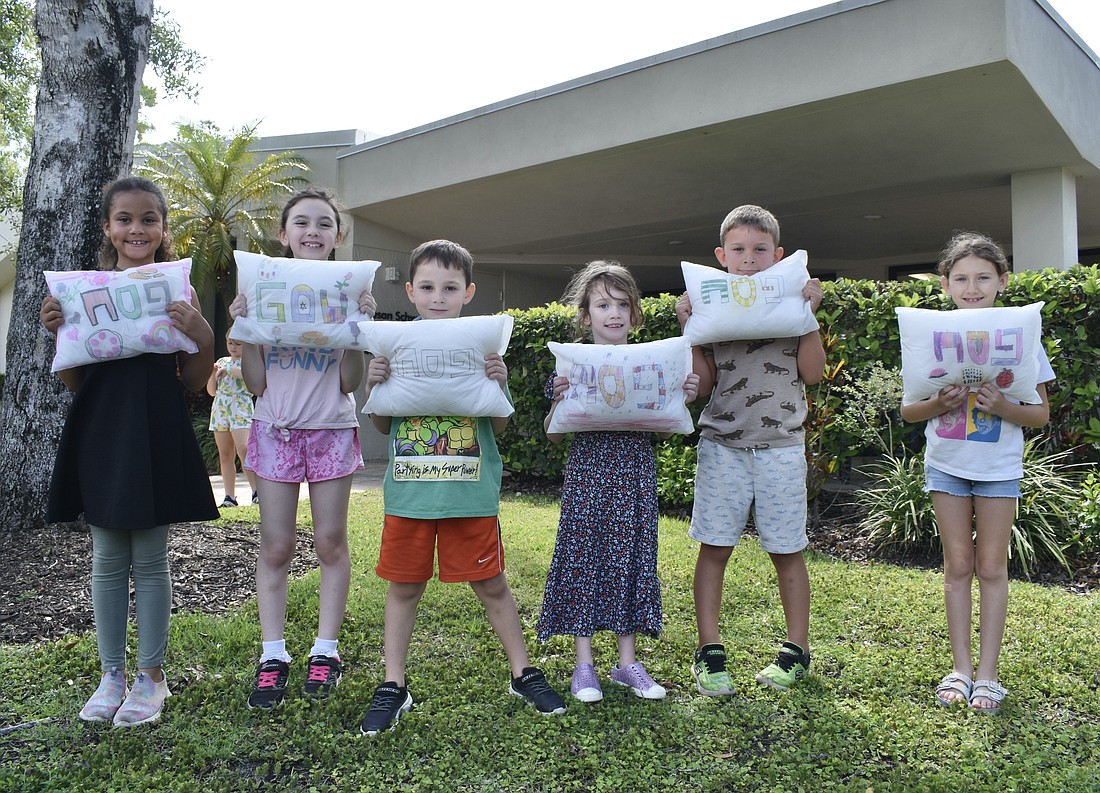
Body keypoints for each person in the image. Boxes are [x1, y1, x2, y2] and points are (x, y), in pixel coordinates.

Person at [359, 239, 566, 736]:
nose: (438, 296)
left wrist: (500, 378)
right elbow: (384, 426)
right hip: (410, 494)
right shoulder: (395, 346)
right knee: (404, 587)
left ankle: (522, 672)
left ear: (468, 292)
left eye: (450, 288)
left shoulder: (483, 348)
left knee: (491, 583)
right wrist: (375, 382)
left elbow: (501, 426)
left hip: (469, 494)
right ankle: (393, 684)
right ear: (410, 291)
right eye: (427, 287)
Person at [40, 176, 218, 726]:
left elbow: (192, 379)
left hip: (156, 428)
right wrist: (57, 331)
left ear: (164, 229)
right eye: (125, 219)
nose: (136, 229)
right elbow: (75, 380)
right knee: (108, 559)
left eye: (148, 219)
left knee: (151, 558)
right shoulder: (82, 290)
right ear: (108, 228)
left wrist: (203, 334)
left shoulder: (175, 289)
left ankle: (151, 677)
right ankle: (110, 674)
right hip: (101, 431)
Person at [229, 187, 376, 710]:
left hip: (333, 430)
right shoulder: (267, 291)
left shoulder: (347, 297)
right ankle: (273, 655)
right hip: (274, 431)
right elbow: (255, 385)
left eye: (323, 224)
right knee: (276, 546)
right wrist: (245, 329)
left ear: (339, 237)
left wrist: (358, 331)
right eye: (301, 223)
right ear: (283, 234)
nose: (312, 231)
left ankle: (326, 650)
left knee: (331, 542)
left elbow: (348, 384)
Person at [674, 205, 825, 695]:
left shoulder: (790, 307)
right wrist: (688, 328)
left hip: (781, 446)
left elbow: (814, 373)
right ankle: (709, 650)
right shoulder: (715, 307)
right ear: (721, 257)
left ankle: (796, 650)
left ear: (778, 256)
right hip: (723, 445)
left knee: (787, 549)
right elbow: (704, 382)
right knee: (714, 547)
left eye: (761, 250)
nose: (749, 260)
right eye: (738, 250)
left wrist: (809, 315)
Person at [901, 232, 1052, 714]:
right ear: (945, 284)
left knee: (991, 567)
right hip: (946, 466)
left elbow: (1040, 414)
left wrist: (1004, 404)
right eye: (961, 278)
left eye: (983, 278)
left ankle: (988, 676)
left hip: (998, 470)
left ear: (1002, 282)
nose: (972, 287)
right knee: (957, 567)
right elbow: (909, 412)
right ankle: (960, 669)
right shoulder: (932, 338)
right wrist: (938, 403)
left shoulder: (1021, 338)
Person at [538, 261, 699, 703]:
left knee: (629, 558)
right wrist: (559, 399)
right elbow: (554, 433)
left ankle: (627, 663)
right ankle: (583, 665)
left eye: (622, 304)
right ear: (585, 316)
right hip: (587, 474)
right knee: (583, 557)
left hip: (634, 473)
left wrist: (678, 396)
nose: (614, 313)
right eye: (603, 304)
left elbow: (664, 429)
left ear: (635, 314)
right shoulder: (572, 367)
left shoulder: (650, 363)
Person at [207, 333, 256, 508]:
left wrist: (228, 370)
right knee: (225, 454)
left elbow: (249, 376)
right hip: (221, 409)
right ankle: (229, 496)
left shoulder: (250, 362)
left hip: (240, 408)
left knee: (244, 449)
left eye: (238, 343)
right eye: (230, 343)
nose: (233, 347)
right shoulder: (222, 361)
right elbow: (212, 391)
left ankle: (256, 491)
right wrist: (212, 374)